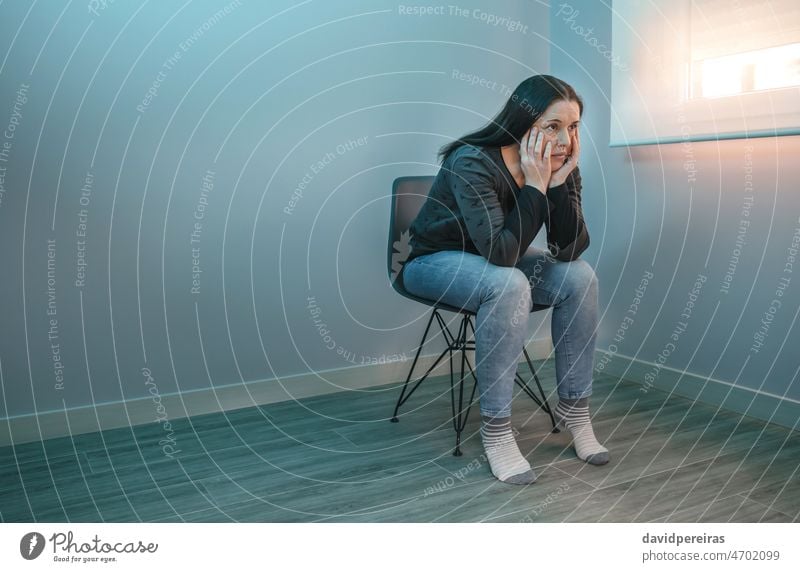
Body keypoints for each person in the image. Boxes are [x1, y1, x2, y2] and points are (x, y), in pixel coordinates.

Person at [400, 75, 609, 485]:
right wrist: (534, 185)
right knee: (508, 283)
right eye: (553, 126)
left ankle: (576, 410)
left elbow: (569, 250)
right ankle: (497, 430)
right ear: (523, 121)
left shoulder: (560, 164)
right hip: (432, 261)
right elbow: (501, 254)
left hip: (492, 261)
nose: (566, 138)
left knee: (580, 276)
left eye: (573, 127)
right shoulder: (472, 161)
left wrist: (558, 183)